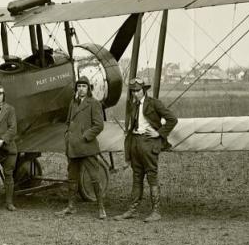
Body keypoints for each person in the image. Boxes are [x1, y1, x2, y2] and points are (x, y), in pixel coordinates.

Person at [114, 78, 178, 222]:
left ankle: (156, 212)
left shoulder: (154, 103)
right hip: (135, 143)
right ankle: (132, 210)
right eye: (133, 91)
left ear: (144, 90)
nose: (135, 93)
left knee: (152, 177)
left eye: (138, 90)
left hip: (149, 143)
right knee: (137, 178)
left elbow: (172, 119)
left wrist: (159, 133)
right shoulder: (133, 105)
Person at [60, 76, 107, 219]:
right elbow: (68, 122)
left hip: (87, 147)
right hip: (73, 147)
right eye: (79, 86)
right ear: (76, 88)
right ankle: (71, 207)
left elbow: (99, 125)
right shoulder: (72, 103)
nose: (81, 89)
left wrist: (85, 136)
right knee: (72, 178)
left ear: (88, 89)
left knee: (94, 177)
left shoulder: (94, 103)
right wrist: (68, 136)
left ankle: (101, 208)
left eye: (84, 86)